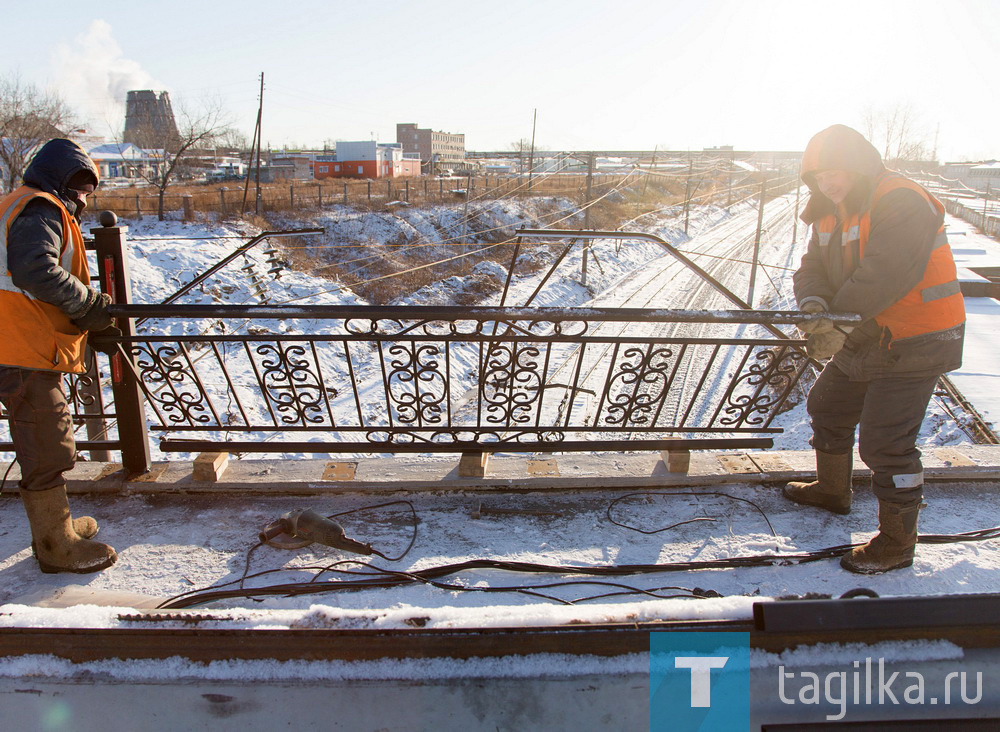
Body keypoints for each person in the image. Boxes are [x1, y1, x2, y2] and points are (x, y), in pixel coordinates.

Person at [784, 124, 965, 574]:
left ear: (860, 166)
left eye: (836, 172)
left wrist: (837, 324)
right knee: (827, 404)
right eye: (819, 176)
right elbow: (811, 267)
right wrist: (813, 304)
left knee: (886, 444)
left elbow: (885, 275)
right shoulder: (829, 212)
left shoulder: (899, 199)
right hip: (867, 332)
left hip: (916, 338)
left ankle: (897, 544)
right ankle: (832, 491)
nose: (828, 182)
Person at [0, 138, 118, 573]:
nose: (86, 198)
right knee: (47, 443)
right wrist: (89, 305)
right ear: (64, 182)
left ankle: (59, 527)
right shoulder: (42, 208)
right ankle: (55, 547)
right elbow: (35, 269)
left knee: (42, 437)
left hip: (13, 340)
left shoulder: (15, 202)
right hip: (20, 346)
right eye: (83, 188)